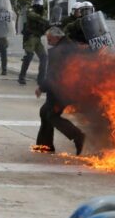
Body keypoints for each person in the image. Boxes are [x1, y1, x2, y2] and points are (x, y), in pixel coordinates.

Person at [34, 26, 85, 155]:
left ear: (57, 37)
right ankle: (44, 145)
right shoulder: (70, 46)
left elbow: (54, 74)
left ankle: (78, 136)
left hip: (62, 91)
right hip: (67, 89)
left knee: (51, 115)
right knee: (44, 111)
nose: (48, 41)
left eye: (50, 38)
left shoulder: (59, 51)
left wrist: (42, 87)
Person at [19, 0, 50, 85]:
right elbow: (32, 16)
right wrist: (45, 20)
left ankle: (41, 79)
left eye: (38, 1)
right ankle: (22, 76)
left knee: (44, 57)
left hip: (38, 38)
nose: (37, 3)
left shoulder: (43, 12)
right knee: (28, 56)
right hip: (30, 38)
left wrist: (49, 24)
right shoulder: (30, 10)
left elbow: (45, 20)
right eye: (36, 1)